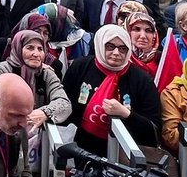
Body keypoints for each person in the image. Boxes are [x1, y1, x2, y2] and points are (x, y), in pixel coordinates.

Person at [62, 25, 162, 157]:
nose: (116, 53)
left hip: (124, 157)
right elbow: (64, 104)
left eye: (122, 49)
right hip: (79, 149)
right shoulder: (81, 67)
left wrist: (126, 114)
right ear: (100, 44)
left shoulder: (141, 80)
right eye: (110, 46)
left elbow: (153, 130)